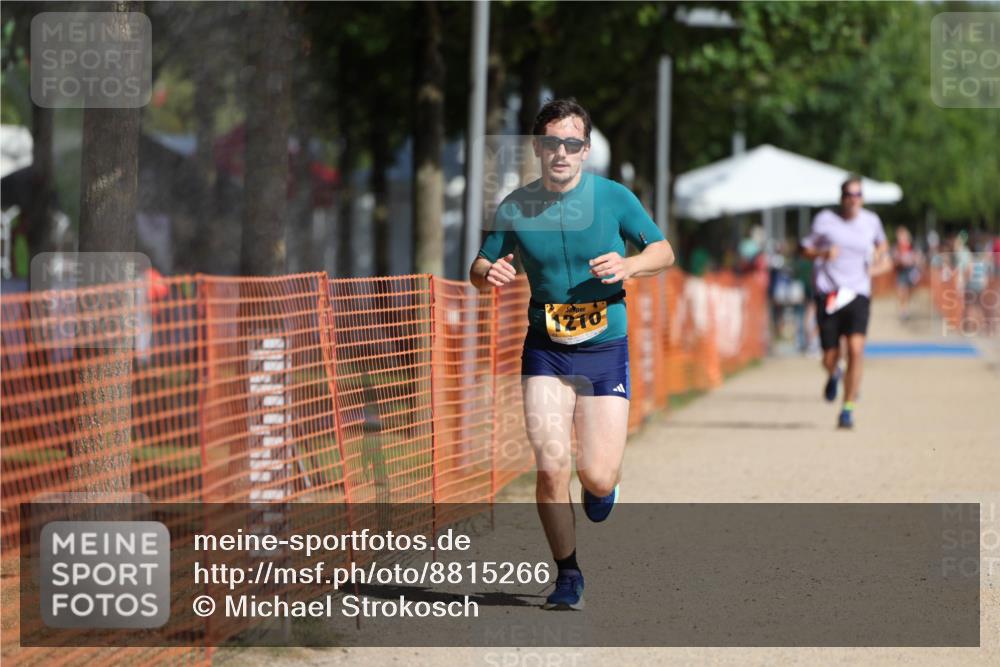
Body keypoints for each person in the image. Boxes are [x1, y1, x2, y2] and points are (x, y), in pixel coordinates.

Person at [469, 98, 674, 610]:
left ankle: (603, 489)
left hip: (604, 346)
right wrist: (485, 274)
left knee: (597, 476)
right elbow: (480, 263)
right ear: (538, 147)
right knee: (550, 467)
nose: (562, 152)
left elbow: (662, 250)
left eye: (573, 143)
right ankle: (567, 574)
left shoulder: (613, 197)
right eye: (552, 142)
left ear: (585, 150)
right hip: (545, 349)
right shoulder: (515, 206)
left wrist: (630, 266)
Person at [801, 176, 890, 429]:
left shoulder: (871, 221)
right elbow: (803, 249)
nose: (854, 199)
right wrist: (822, 253)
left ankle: (847, 408)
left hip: (858, 293)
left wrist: (879, 256)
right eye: (849, 194)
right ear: (841, 198)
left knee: (856, 350)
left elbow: (882, 243)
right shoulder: (824, 221)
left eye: (858, 194)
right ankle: (834, 373)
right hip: (829, 293)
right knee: (830, 356)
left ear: (863, 198)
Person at [891, 225, 921, 321]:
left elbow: (918, 257)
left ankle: (905, 308)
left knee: (908, 292)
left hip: (911, 271)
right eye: (900, 235)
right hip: (901, 271)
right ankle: (903, 310)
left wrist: (915, 262)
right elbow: (894, 258)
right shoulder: (896, 247)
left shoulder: (912, 246)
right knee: (901, 292)